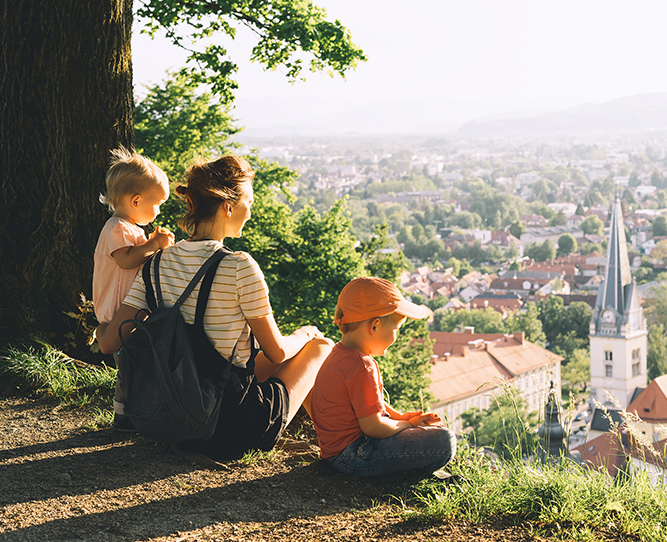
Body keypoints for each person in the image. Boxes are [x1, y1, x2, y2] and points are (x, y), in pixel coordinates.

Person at [96, 155, 333, 458]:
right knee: (321, 346)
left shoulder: (155, 263)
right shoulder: (240, 266)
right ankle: (335, 442)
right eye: (249, 201)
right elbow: (277, 352)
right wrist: (305, 333)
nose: (251, 210)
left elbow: (107, 343)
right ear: (228, 206)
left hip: (174, 420)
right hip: (230, 428)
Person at [309, 277, 457, 477]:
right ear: (375, 326)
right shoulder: (362, 366)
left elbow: (369, 405)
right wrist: (409, 425)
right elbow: (374, 426)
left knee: (424, 436)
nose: (396, 337)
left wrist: (402, 417)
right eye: (396, 329)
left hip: (336, 454)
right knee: (445, 441)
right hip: (355, 456)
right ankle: (406, 473)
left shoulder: (339, 355)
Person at [93, 147, 174, 431]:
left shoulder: (130, 229)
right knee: (128, 364)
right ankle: (124, 414)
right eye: (158, 204)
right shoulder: (117, 228)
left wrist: (150, 244)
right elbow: (127, 260)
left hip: (127, 309)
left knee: (133, 360)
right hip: (119, 310)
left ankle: (131, 409)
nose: (159, 210)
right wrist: (154, 245)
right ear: (136, 200)